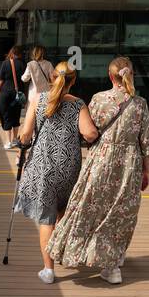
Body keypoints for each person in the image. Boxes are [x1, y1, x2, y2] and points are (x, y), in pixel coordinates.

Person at [48, 56, 149, 285]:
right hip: (129, 165)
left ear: (110, 76)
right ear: (131, 75)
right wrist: (146, 172)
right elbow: (146, 142)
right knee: (119, 214)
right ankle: (113, 265)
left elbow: (89, 132)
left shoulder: (98, 99)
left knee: (88, 207)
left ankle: (74, 253)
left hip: (100, 161)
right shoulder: (139, 104)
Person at [13, 62, 98, 284]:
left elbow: (26, 133)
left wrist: (22, 141)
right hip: (68, 167)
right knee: (62, 211)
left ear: (52, 77)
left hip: (43, 167)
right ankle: (59, 251)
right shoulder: (78, 104)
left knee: (46, 218)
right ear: (73, 80)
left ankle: (48, 270)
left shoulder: (39, 100)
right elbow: (89, 133)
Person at [0, 46, 25, 151]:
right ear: (19, 54)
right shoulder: (22, 64)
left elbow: (0, 80)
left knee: (6, 116)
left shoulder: (5, 63)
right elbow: (25, 79)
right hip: (17, 94)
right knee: (16, 116)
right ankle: (15, 139)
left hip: (5, 93)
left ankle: (8, 142)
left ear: (11, 53)